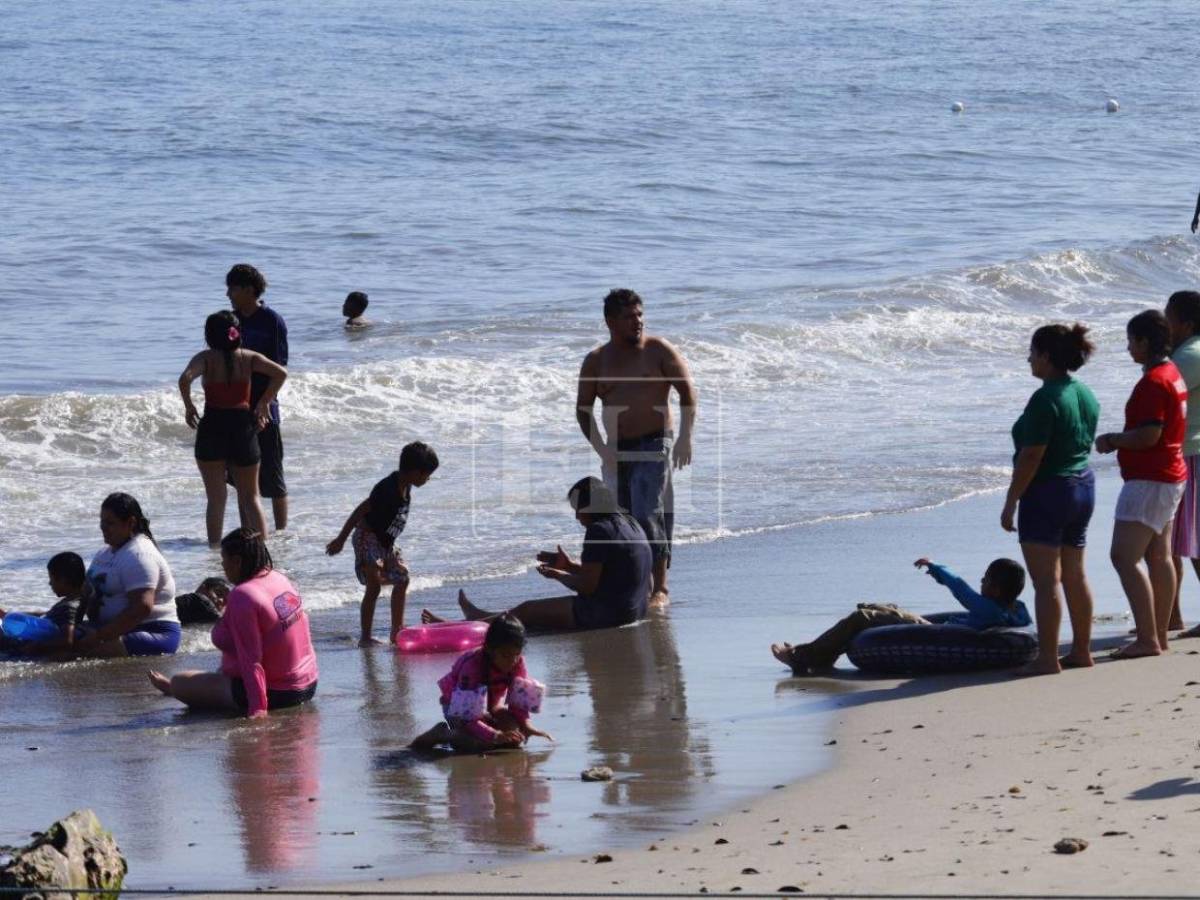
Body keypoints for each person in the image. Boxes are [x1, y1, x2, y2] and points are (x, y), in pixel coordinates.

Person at [576, 288, 696, 607]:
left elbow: (687, 394)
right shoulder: (596, 361)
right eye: (629, 317)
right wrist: (602, 448)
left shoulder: (658, 350)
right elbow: (582, 410)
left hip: (656, 442)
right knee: (621, 518)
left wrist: (685, 437)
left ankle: (661, 589)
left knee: (648, 510)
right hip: (616, 448)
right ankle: (635, 583)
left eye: (640, 314)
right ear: (610, 322)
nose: (638, 321)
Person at [422, 477, 652, 632]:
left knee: (526, 611)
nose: (577, 518)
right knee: (523, 614)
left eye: (578, 511)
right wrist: (570, 566)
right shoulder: (630, 523)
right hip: (634, 610)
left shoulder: (598, 530)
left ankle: (457, 627)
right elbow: (614, 574)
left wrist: (559, 575)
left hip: (608, 615)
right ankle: (478, 617)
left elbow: (589, 587)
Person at [1000, 323, 1100, 675]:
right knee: (1075, 574)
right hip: (1083, 485)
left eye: (1031, 352)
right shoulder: (1084, 392)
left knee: (1047, 582)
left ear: (1044, 356)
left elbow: (1032, 456)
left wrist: (1012, 500)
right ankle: (1082, 651)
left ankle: (1047, 658)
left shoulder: (1045, 398)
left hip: (1048, 491)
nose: (1028, 359)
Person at [1095, 310, 1189, 659]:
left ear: (1145, 342)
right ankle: (1159, 634)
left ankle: (1149, 638)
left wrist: (1113, 440)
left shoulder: (1153, 381)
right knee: (1159, 554)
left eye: (1132, 341)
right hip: (1170, 473)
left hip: (1151, 476)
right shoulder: (1172, 373)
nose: (1129, 348)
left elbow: (1149, 435)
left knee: (1124, 556)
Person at [149, 528, 318, 718]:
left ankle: (178, 690)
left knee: (179, 682)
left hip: (277, 694)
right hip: (308, 684)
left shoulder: (243, 596)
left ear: (237, 561)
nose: (222, 565)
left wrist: (257, 708)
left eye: (224, 560)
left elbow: (251, 659)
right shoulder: (279, 578)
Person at [770, 557, 1030, 675]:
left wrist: (936, 568)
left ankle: (801, 657)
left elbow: (960, 588)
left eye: (984, 579)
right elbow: (1026, 622)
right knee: (885, 611)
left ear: (994, 589)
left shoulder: (987, 608)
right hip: (947, 629)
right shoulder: (1014, 611)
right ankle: (822, 655)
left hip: (937, 633)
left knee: (863, 617)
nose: (980, 582)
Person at [179, 310, 288, 547]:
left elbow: (185, 378)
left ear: (209, 336)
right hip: (243, 429)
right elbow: (281, 373)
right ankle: (262, 550)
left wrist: (189, 406)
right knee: (251, 497)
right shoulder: (248, 357)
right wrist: (263, 402)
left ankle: (215, 551)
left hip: (212, 428)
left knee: (216, 499)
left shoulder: (205, 358)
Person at [326, 441, 440, 646]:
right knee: (374, 586)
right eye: (426, 474)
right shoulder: (387, 488)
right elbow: (361, 510)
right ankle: (365, 637)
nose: (428, 478)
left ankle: (396, 631)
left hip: (384, 543)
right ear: (415, 472)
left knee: (402, 578)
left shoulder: (406, 485)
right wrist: (341, 539)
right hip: (366, 538)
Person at [410, 614, 552, 752]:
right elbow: (468, 718)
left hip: (490, 707)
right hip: (457, 709)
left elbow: (518, 701)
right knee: (474, 745)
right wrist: (495, 735)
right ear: (490, 649)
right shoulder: (472, 667)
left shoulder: (517, 662)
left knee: (514, 738)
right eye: (505, 655)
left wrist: (526, 726)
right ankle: (443, 734)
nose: (512, 661)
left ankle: (488, 729)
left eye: (516, 654)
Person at [226, 264, 290, 531]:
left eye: (233, 288)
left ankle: (282, 534)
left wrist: (265, 402)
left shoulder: (271, 321)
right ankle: (249, 531)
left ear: (249, 290)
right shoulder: (230, 321)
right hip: (235, 407)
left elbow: (280, 368)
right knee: (239, 475)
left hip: (265, 405)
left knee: (273, 474)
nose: (228, 293)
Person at [78, 493, 181, 658]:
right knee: (58, 637)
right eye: (102, 522)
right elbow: (85, 594)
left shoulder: (140, 555)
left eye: (110, 523)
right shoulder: (105, 552)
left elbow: (141, 608)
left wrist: (98, 637)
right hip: (109, 629)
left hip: (152, 632)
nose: (103, 528)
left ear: (131, 522)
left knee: (70, 653)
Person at [1164, 291, 1200, 635]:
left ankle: (1170, 614)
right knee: (1176, 539)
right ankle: (1169, 614)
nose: (1165, 325)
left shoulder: (1187, 355)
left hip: (1189, 451)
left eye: (1169, 318)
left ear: (1186, 323)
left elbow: (1163, 399)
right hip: (1189, 449)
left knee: (1179, 538)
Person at [0, 552, 91, 656]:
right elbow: (48, 617)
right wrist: (7, 615)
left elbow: (67, 641)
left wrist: (38, 647)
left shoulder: (71, 608)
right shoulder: (71, 601)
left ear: (63, 580)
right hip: (27, 638)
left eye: (51, 579)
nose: (50, 583)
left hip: (24, 645)